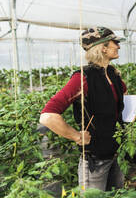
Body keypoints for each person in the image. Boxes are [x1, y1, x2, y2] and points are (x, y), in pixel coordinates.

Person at [40, 26, 127, 191]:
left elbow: (122, 95)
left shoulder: (113, 74)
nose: (119, 46)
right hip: (95, 160)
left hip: (117, 153)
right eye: (114, 42)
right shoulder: (82, 78)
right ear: (103, 48)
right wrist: (76, 135)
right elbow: (47, 116)